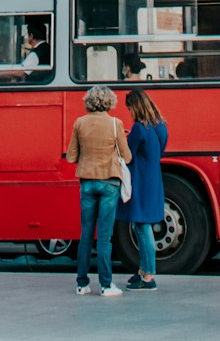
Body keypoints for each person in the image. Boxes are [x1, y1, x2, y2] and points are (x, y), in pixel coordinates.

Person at [66, 84, 131, 297]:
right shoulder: (115, 124)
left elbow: (71, 157)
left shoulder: (80, 123)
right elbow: (127, 157)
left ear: (89, 101)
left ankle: (82, 283)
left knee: (86, 235)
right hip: (109, 184)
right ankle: (106, 284)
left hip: (87, 183)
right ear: (109, 102)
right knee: (104, 237)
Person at [119, 88, 168, 291]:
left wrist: (123, 138)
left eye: (130, 107)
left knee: (142, 227)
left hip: (140, 182)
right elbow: (159, 150)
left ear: (135, 106)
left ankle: (148, 276)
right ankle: (143, 270)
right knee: (144, 225)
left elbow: (128, 155)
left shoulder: (139, 128)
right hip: (153, 180)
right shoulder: (160, 126)